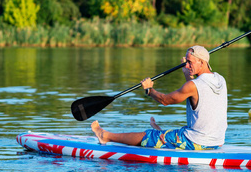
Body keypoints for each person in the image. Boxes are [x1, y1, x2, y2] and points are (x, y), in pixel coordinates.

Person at [91, 45, 228, 150]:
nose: (186, 65)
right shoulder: (220, 79)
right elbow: (196, 91)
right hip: (217, 142)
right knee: (174, 133)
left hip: (197, 141)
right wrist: (187, 73)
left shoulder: (193, 85)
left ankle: (106, 136)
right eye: (186, 61)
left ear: (202, 63)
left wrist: (149, 90)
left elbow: (165, 100)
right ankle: (161, 132)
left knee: (149, 136)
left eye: (190, 62)